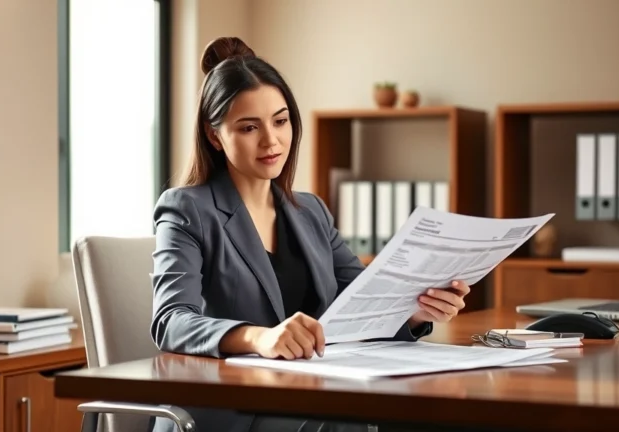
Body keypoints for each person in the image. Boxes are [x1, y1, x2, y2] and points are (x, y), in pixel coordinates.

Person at [150, 36, 471, 432]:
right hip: (231, 408)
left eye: (280, 121)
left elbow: (363, 299)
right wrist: (258, 338)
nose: (272, 141)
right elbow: (171, 321)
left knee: (451, 411)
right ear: (215, 136)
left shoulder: (311, 212)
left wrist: (416, 310)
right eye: (249, 127)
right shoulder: (186, 209)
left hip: (311, 392)